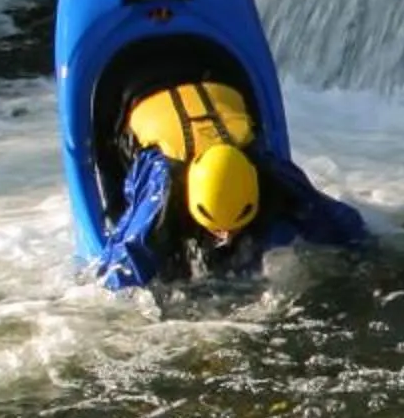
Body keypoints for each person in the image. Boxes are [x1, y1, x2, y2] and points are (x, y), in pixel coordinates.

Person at [95, 75, 365, 289]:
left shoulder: (264, 167)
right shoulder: (161, 184)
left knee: (280, 226)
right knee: (165, 258)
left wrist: (363, 256)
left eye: (233, 227)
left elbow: (336, 219)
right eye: (219, 229)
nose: (225, 237)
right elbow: (120, 264)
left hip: (215, 77)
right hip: (134, 92)